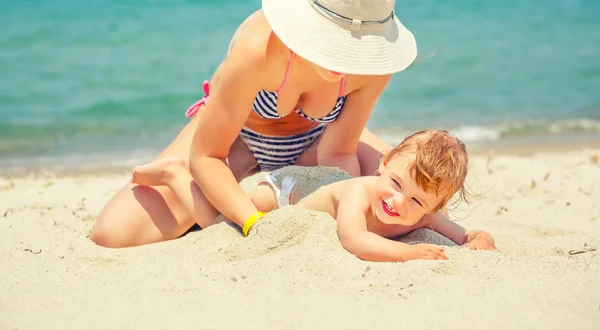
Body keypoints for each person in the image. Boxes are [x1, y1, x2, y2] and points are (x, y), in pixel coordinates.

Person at [91, 0, 418, 248]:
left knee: (406, 196)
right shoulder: (257, 50)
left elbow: (338, 153)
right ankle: (175, 176)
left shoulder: (375, 68)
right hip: (236, 140)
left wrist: (344, 203)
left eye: (355, 47)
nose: (341, 60)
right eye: (334, 41)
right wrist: (252, 223)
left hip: (319, 143)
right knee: (114, 233)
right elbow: (207, 156)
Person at [129, 130, 499, 262]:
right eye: (397, 184)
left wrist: (480, 241)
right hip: (287, 190)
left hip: (322, 183)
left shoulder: (425, 215)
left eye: (418, 202)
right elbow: (355, 239)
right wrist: (410, 252)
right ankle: (177, 176)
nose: (399, 202)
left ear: (435, 207)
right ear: (383, 164)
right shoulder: (360, 190)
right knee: (223, 226)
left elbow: (465, 236)